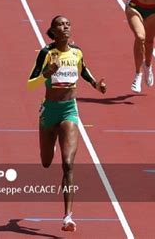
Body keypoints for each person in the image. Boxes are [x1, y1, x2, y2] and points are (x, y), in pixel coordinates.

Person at [27, 15, 106, 232]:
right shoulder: (46, 53)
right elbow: (30, 85)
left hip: (69, 110)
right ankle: (50, 136)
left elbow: (83, 70)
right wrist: (46, 74)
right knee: (45, 162)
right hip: (49, 111)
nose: (66, 27)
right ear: (53, 30)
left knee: (68, 164)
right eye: (61, 24)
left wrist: (95, 85)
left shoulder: (77, 51)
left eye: (68, 24)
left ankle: (67, 217)